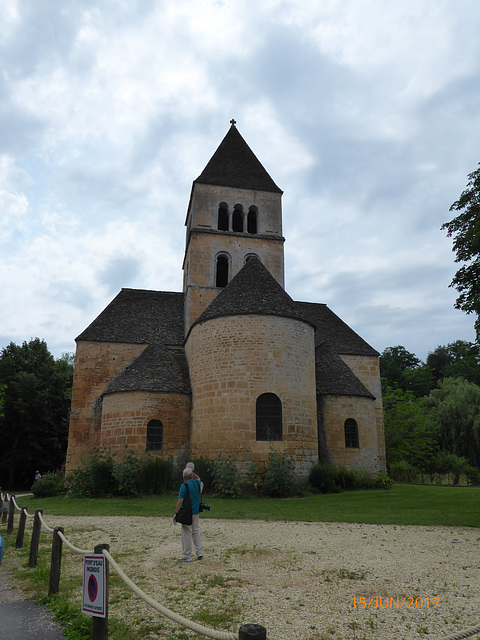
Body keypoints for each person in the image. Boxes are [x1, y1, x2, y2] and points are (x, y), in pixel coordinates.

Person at [173, 467, 204, 562]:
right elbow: (199, 479)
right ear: (192, 476)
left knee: (186, 533)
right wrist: (193, 473)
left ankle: (187, 556)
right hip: (196, 511)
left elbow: (180, 500)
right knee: (195, 531)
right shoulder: (197, 483)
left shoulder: (184, 485)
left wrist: (176, 513)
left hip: (187, 512)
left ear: (184, 477)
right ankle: (199, 552)